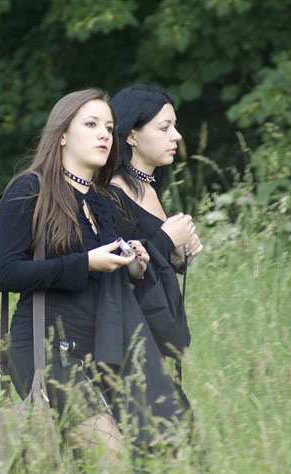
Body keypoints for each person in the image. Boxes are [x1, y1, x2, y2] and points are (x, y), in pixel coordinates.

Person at [0, 89, 187, 458]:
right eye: (92, 124)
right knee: (112, 457)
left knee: (123, 462)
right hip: (43, 348)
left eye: (109, 128)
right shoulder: (30, 189)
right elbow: (5, 273)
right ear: (63, 134)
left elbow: (106, 283)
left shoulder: (101, 201)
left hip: (98, 349)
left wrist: (133, 268)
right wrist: (85, 263)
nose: (103, 135)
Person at [109, 84, 203, 415]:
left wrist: (177, 256)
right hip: (129, 345)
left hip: (154, 337)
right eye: (164, 128)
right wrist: (165, 239)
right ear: (132, 136)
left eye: (174, 126)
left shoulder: (148, 187)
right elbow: (117, 272)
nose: (176, 136)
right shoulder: (112, 194)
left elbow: (151, 258)